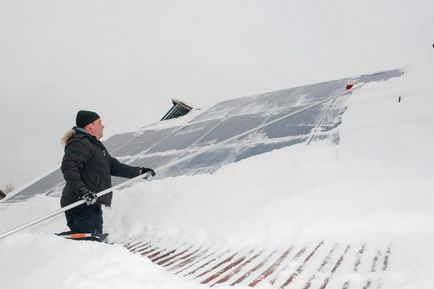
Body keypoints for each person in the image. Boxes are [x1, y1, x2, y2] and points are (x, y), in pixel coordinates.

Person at [60, 110, 155, 235]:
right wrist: (83, 192)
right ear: (90, 126)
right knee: (90, 240)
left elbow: (114, 167)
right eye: (99, 123)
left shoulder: (95, 145)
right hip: (80, 202)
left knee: (90, 237)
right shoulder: (79, 143)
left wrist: (140, 172)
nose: (103, 126)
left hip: (89, 201)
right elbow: (69, 168)